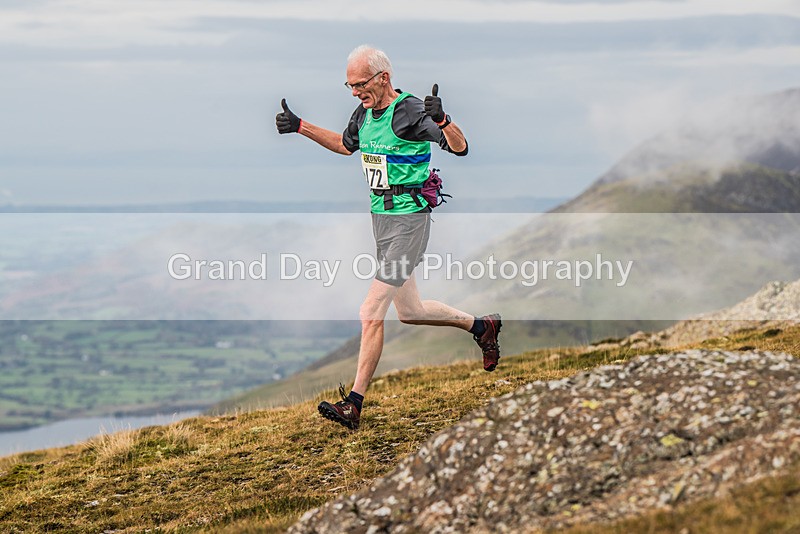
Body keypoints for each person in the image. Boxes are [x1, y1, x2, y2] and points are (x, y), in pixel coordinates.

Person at [276, 45, 501, 430]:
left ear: (384, 77)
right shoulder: (363, 113)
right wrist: (301, 127)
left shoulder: (410, 111)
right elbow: (347, 146)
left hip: (409, 222)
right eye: (349, 85)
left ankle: (354, 404)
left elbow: (461, 148)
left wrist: (444, 120)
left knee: (370, 311)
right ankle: (482, 327)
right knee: (410, 311)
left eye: (360, 84)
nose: (354, 92)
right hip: (381, 221)